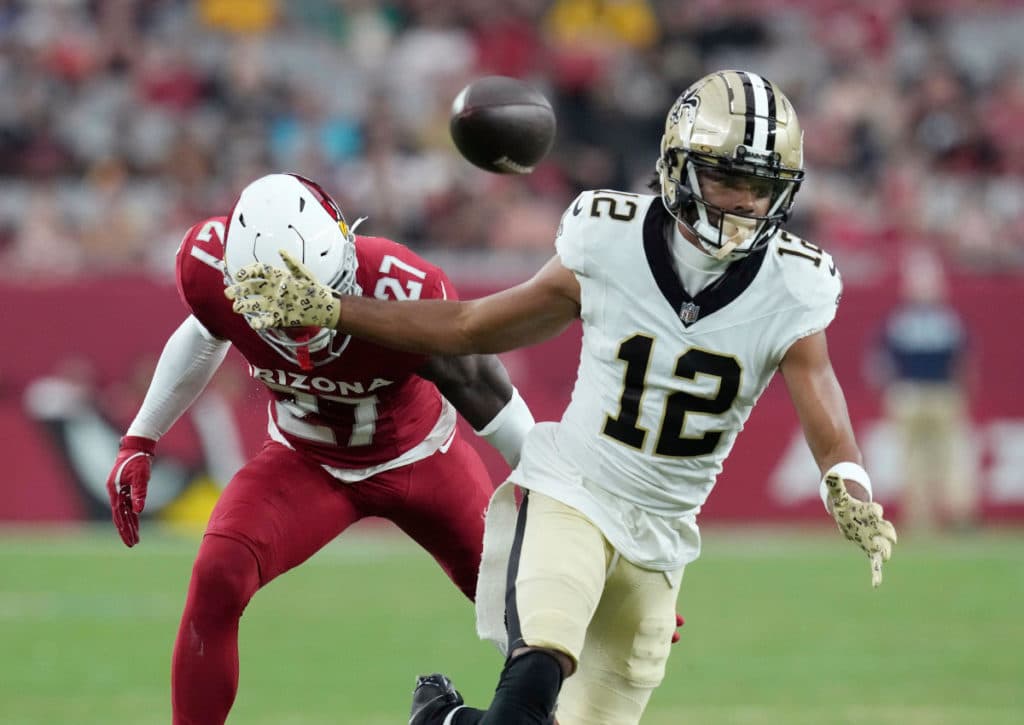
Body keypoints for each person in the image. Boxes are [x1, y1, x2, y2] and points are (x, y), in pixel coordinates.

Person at [226, 71, 899, 725]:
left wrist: (847, 480)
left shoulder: (794, 283)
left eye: (762, 186)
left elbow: (822, 399)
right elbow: (468, 327)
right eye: (728, 177)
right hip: (573, 493)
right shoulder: (609, 239)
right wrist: (335, 309)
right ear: (678, 165)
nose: (746, 202)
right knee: (533, 678)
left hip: (664, 539)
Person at [104, 173, 536, 725]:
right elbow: (204, 329)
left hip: (423, 459)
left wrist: (596, 532)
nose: (297, 329)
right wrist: (141, 437)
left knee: (532, 615)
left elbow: (500, 410)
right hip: (304, 461)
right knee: (217, 574)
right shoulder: (211, 269)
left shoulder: (401, 287)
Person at [873, 247, 975, 532]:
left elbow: (880, 364)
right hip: (929, 392)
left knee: (929, 458)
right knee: (938, 457)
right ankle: (943, 514)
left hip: (918, 393)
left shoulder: (899, 320)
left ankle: (936, 516)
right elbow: (963, 361)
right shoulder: (947, 319)